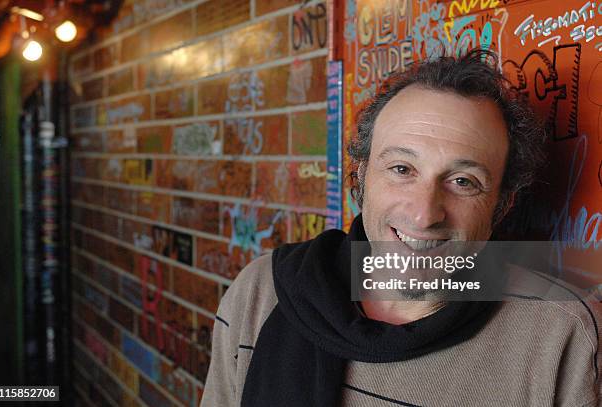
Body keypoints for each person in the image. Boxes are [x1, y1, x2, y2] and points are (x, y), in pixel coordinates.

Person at [200, 49, 601, 407]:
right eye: (401, 169)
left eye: (463, 181)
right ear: (360, 178)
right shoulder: (260, 294)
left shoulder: (563, 336)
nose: (425, 214)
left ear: (503, 203)